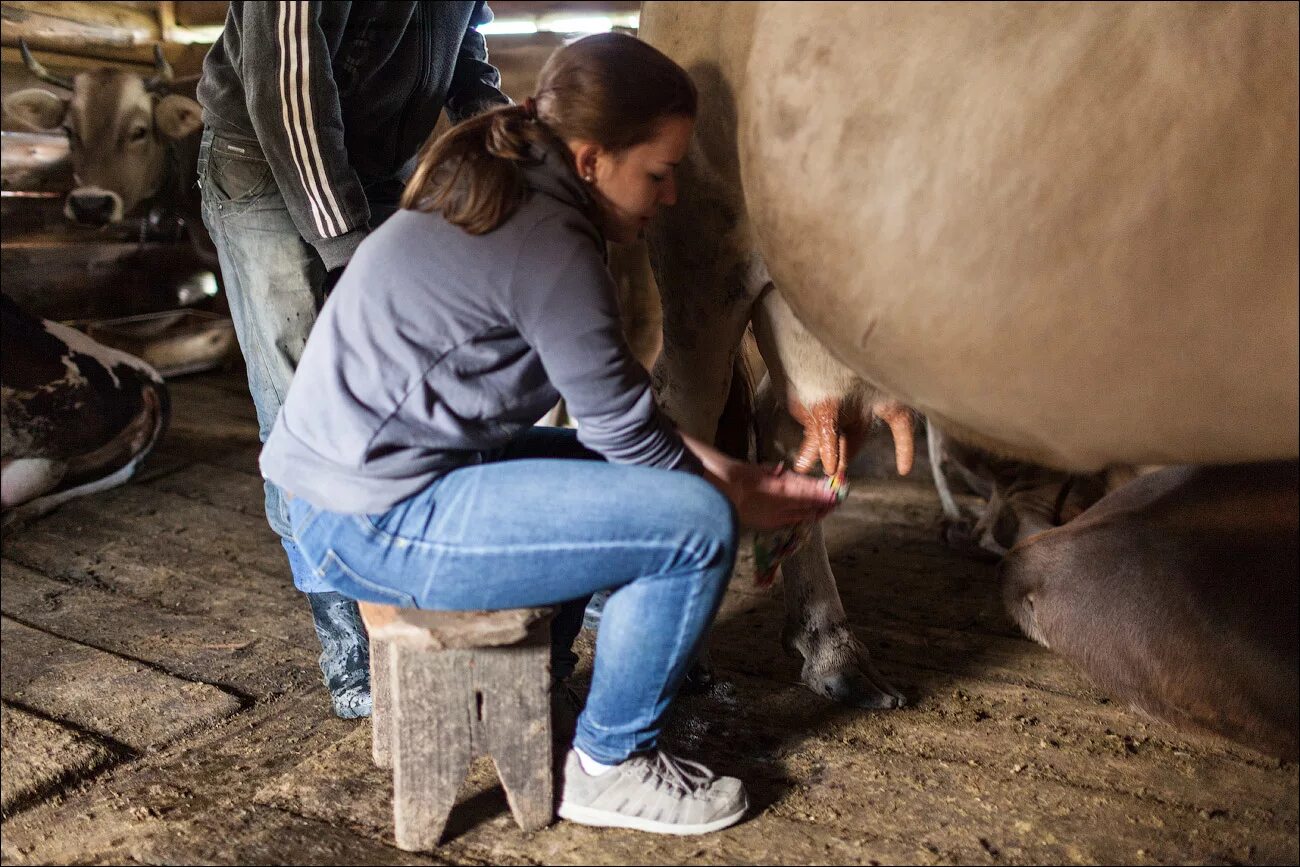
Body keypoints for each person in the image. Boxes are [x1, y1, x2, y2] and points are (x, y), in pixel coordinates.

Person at [260, 32, 843, 836]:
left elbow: (620, 410)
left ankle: (552, 692)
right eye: (660, 173)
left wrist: (745, 479)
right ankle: (613, 764)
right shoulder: (548, 238)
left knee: (655, 493)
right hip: (371, 518)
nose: (669, 196)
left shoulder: (519, 185)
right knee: (694, 526)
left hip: (364, 490)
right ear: (594, 158)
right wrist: (740, 494)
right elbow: (632, 441)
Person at [195, 2, 510, 718]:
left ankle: (409, 581)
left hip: (377, 162)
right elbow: (286, 87)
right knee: (306, 395)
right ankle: (346, 633)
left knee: (401, 382)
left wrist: (515, 143)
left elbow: (465, 53)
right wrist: (348, 246)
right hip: (266, 161)